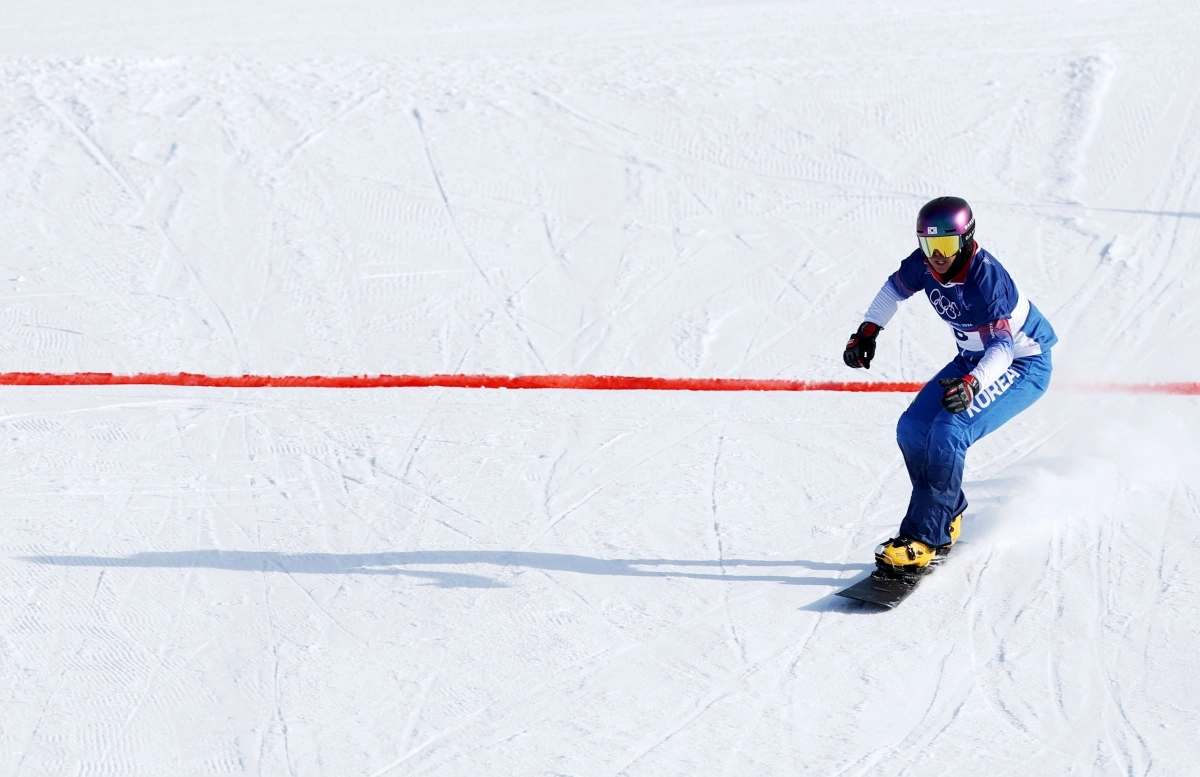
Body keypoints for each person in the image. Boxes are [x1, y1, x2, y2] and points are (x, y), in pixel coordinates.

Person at [842, 196, 1057, 573]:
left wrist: (973, 384)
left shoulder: (985, 279)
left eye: (945, 244)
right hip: (973, 360)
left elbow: (1003, 347)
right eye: (929, 245)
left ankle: (927, 537)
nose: (937, 255)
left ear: (966, 238)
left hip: (1020, 364)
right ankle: (946, 512)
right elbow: (893, 289)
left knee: (949, 429)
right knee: (912, 428)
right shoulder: (924, 264)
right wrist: (868, 330)